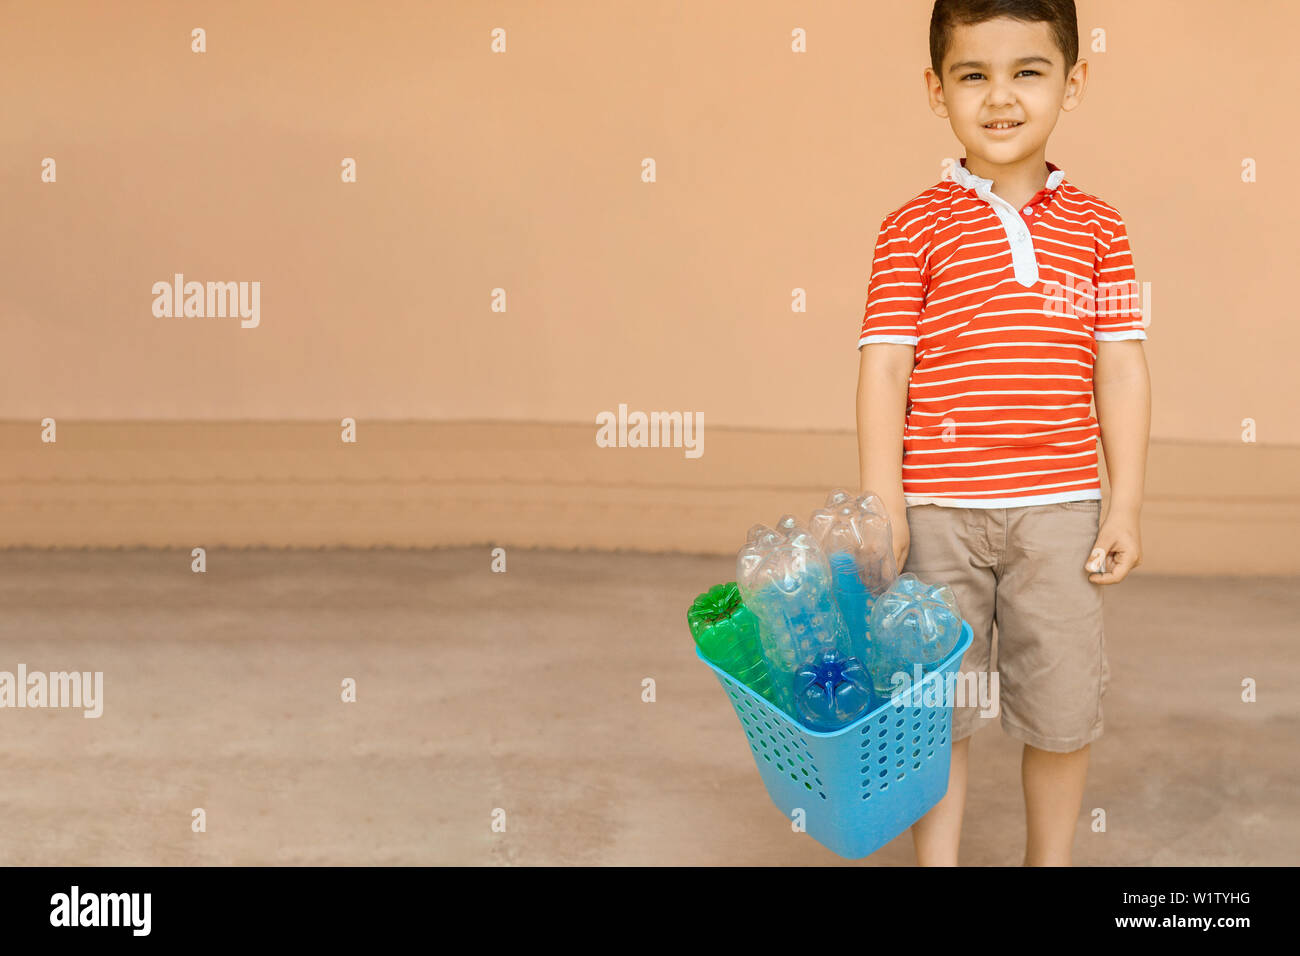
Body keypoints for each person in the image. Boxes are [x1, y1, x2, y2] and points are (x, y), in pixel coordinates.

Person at [855, 0, 1152, 865]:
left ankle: (1047, 862)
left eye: (1028, 71)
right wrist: (885, 500)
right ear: (935, 89)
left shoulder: (1100, 227)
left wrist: (1123, 502)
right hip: (939, 510)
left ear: (1074, 81)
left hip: (1062, 511)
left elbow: (1121, 364)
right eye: (972, 74)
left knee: (1061, 710)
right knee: (932, 707)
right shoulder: (912, 226)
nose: (1001, 97)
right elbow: (885, 368)